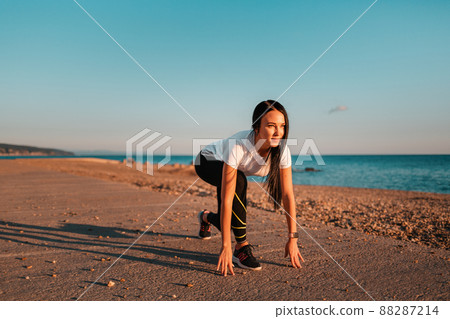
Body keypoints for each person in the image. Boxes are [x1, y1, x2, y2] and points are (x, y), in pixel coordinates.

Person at [194, 100, 304, 276]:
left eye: (282, 126)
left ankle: (206, 217)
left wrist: (293, 239)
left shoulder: (282, 150)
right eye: (271, 126)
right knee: (238, 181)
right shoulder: (238, 145)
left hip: (233, 172)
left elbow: (287, 194)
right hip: (207, 161)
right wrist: (225, 246)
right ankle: (241, 248)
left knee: (232, 214)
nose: (278, 132)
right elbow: (227, 198)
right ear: (256, 127)